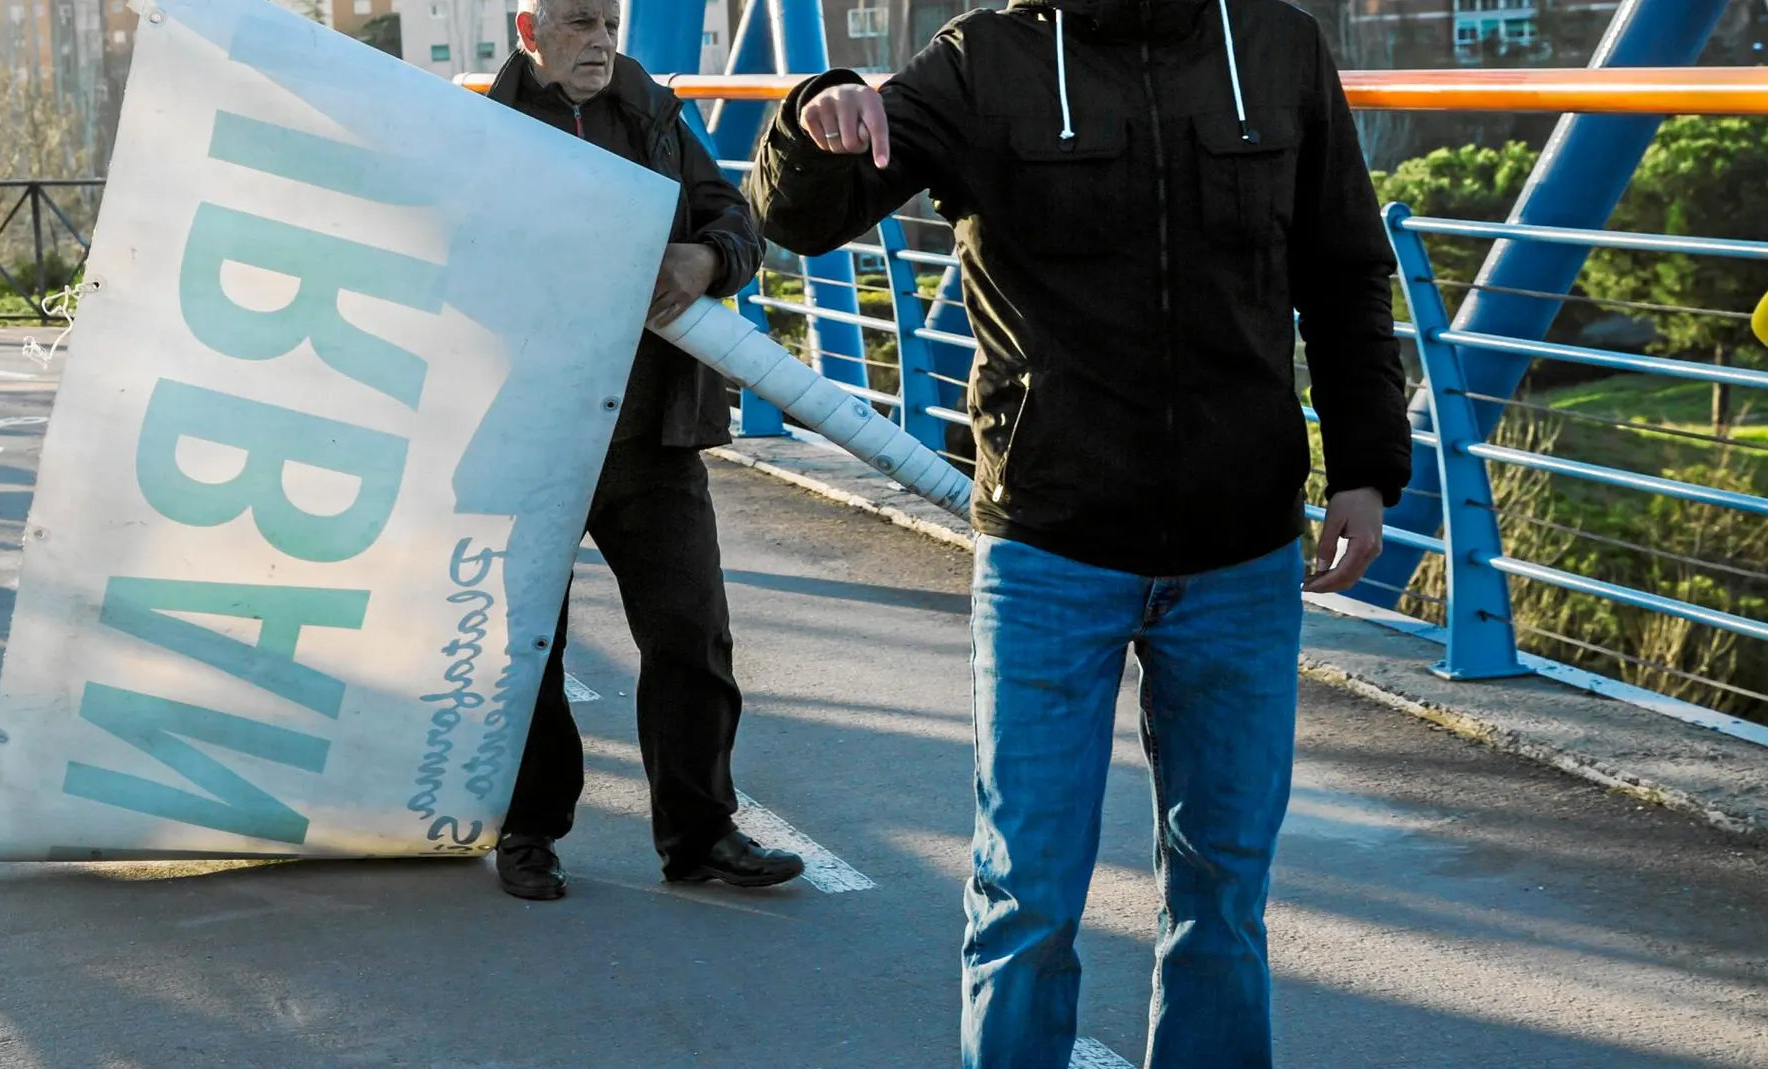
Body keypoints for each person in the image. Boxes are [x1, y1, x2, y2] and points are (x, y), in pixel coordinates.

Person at [746, 1, 1411, 1065]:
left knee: (1224, 895)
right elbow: (798, 219)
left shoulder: (1276, 44)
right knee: (1027, 893)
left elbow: (1342, 270)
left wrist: (1368, 469)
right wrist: (815, 112)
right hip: (1053, 540)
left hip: (1239, 542)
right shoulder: (983, 57)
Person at [484, 0, 804, 900]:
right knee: (526, 650)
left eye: (611, 23)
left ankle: (700, 837)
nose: (602, 42)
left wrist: (709, 262)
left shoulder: (657, 115)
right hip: (535, 432)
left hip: (653, 434)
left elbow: (736, 221)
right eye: (580, 23)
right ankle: (528, 833)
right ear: (528, 28)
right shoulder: (484, 130)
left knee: (691, 636)